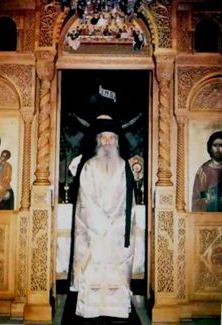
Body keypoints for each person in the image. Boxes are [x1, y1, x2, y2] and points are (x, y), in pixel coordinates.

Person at [69, 113, 137, 321]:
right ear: (98, 140)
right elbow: (84, 198)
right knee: (93, 267)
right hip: (94, 229)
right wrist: (99, 221)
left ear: (116, 141)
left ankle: (116, 309)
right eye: (104, 138)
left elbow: (128, 201)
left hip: (117, 230)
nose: (107, 142)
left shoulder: (124, 165)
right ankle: (90, 309)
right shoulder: (89, 165)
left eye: (111, 138)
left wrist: (114, 219)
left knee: (116, 269)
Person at [192, 131, 222, 212]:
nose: (218, 149)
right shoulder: (203, 170)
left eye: (221, 145)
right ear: (210, 148)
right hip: (209, 216)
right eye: (215, 145)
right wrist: (207, 198)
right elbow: (198, 196)